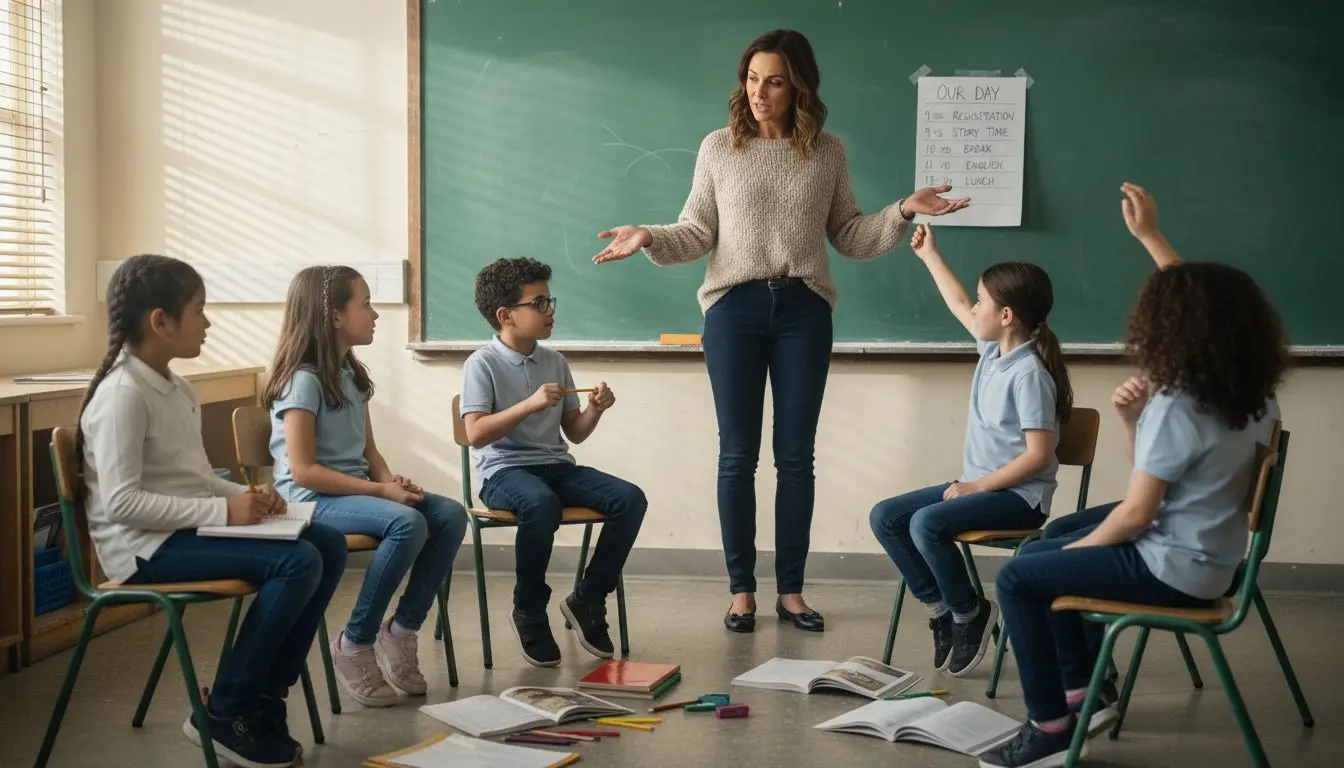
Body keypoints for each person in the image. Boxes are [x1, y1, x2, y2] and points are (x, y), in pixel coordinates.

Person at [592, 28, 969, 632]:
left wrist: (902, 209)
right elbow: (696, 231)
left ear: (799, 87)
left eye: (773, 81)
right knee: (736, 456)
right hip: (733, 310)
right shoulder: (719, 147)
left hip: (803, 310)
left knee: (796, 458)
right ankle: (741, 591)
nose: (759, 92)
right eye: (751, 79)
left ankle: (790, 591)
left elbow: (849, 234)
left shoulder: (827, 152)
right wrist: (649, 236)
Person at [979, 184, 1288, 768]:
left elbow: (1138, 512)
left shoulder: (1181, 402)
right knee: (1050, 543)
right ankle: (1084, 695)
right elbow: (1159, 471)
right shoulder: (1255, 395)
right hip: (1213, 553)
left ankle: (1050, 727)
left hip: (1176, 565)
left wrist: (1077, 555)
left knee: (1021, 576)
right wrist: (1130, 420)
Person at [80, 254, 346, 767]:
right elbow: (122, 504)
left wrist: (249, 496)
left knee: (327, 544)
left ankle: (265, 696)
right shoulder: (123, 394)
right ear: (160, 321)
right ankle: (227, 709)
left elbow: (196, 478)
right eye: (199, 310)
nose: (208, 322)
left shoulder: (176, 387)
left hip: (180, 530)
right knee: (297, 563)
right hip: (142, 549)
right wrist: (226, 512)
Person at [869, 224, 1072, 676]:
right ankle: (942, 608)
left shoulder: (1029, 375)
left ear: (1006, 315)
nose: (974, 307)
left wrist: (975, 487)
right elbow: (959, 302)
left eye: (983, 301)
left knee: (926, 523)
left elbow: (1039, 456)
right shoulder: (992, 353)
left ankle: (969, 613)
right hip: (982, 488)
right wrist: (929, 256)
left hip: (1018, 499)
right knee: (886, 516)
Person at [265, 266, 467, 707]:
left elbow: (369, 451)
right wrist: (381, 494)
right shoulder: (303, 380)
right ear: (335, 316)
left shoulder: (351, 374)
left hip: (352, 493)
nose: (375, 314)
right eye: (366, 304)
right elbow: (303, 472)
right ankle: (355, 642)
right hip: (308, 500)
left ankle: (401, 630)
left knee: (450, 515)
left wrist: (389, 480)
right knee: (407, 523)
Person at [1039, 183, 1281, 542]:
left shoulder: (1193, 403)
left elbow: (1200, 305)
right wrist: (1149, 236)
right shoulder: (1247, 387)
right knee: (1059, 532)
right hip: (1194, 517)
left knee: (1046, 554)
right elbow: (1204, 306)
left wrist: (1150, 235)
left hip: (1181, 526)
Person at [460, 257, 647, 667]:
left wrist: (595, 409)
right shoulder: (482, 364)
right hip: (503, 473)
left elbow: (574, 432)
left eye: (550, 301)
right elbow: (475, 434)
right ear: (506, 315)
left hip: (556, 468)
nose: (550, 311)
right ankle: (528, 608)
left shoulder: (555, 361)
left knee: (630, 498)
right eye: (539, 303)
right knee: (540, 504)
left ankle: (588, 598)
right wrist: (528, 405)